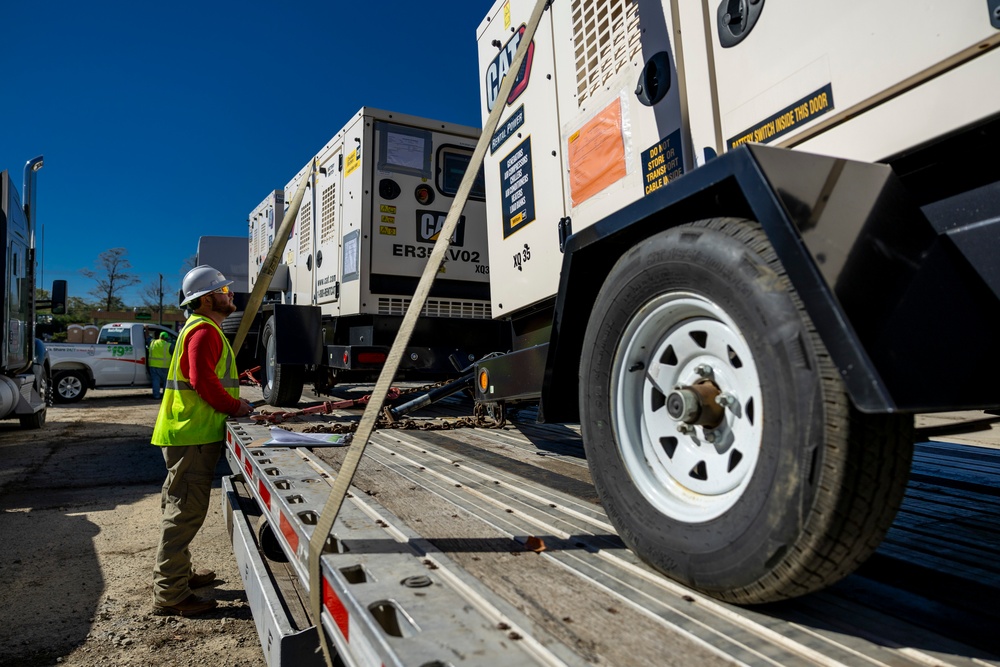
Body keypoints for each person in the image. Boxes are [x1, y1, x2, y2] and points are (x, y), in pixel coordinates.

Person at [151, 265, 253, 617]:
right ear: (208, 299)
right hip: (192, 435)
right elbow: (202, 382)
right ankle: (170, 592)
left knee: (180, 505)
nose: (230, 295)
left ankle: (180, 575)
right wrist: (235, 406)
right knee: (185, 511)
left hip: (186, 433)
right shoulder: (205, 331)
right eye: (223, 291)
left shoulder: (200, 328)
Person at [147, 331, 173, 399]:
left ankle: (156, 395)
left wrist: (146, 330)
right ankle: (165, 396)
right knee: (165, 382)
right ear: (166, 338)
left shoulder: (152, 342)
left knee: (155, 381)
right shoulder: (169, 345)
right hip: (165, 366)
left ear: (159, 337)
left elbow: (147, 338)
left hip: (153, 365)